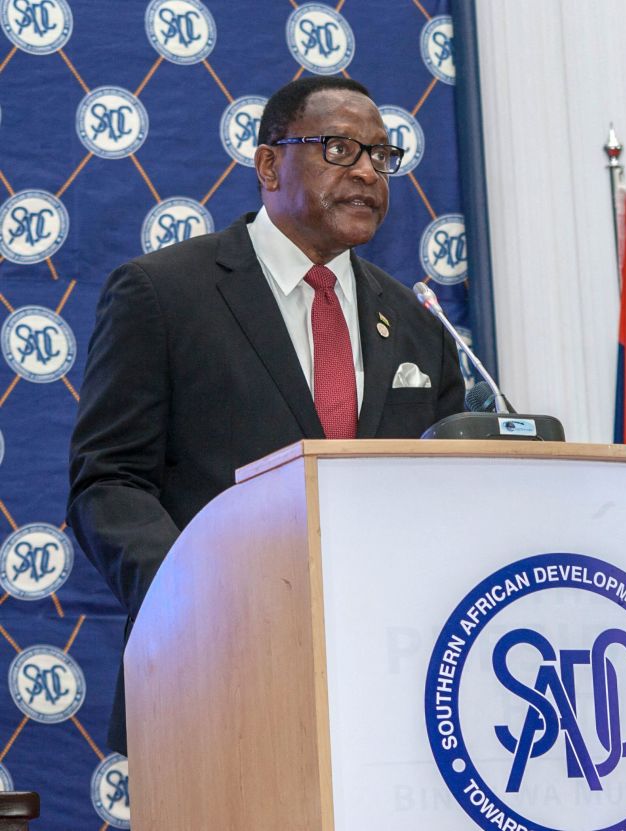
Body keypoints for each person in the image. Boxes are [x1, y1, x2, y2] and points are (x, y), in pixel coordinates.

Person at [67, 77, 465, 753]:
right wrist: (195, 595)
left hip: (388, 695)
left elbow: (449, 500)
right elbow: (108, 482)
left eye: (381, 154)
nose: (369, 170)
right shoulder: (163, 296)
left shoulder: (418, 328)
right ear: (269, 164)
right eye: (341, 147)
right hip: (210, 683)